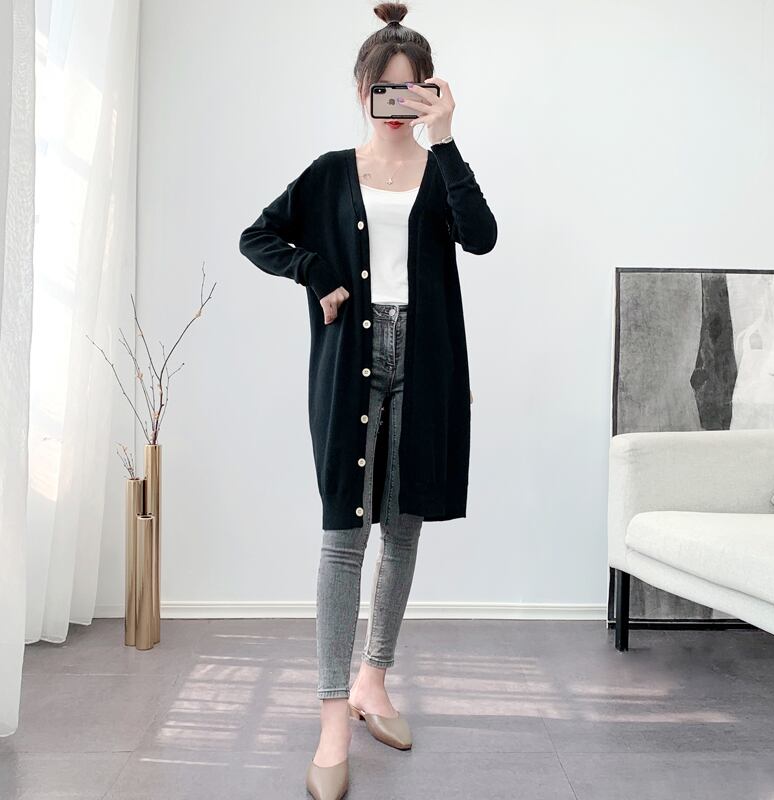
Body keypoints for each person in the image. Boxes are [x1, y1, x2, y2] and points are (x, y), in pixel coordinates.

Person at [239, 3, 497, 798]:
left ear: (431, 92)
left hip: (427, 361)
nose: (396, 104)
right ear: (361, 90)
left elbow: (482, 236)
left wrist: (446, 140)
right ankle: (330, 720)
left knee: (403, 526)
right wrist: (316, 272)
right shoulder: (328, 172)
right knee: (343, 537)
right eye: (384, 89)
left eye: (411, 90)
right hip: (350, 359)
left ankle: (373, 682)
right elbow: (258, 236)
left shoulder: (441, 169)